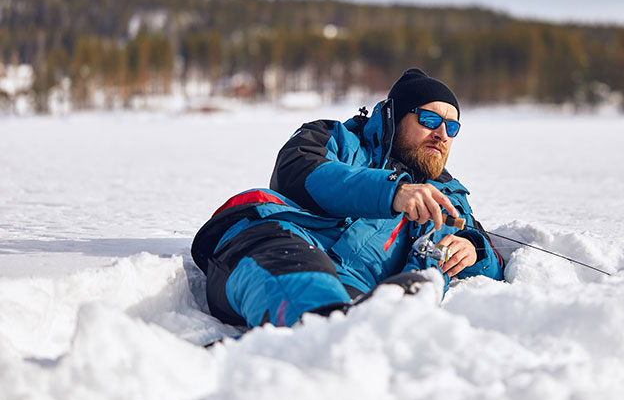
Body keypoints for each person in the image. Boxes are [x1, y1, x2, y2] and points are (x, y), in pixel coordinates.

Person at [191, 68, 504, 328]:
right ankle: (318, 332)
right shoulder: (338, 139)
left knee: (355, 321)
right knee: (308, 284)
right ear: (395, 118)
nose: (442, 134)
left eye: (452, 126)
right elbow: (299, 171)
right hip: (271, 242)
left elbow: (493, 259)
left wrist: (473, 249)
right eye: (430, 120)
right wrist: (392, 190)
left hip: (353, 289)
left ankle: (327, 337)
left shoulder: (450, 196)